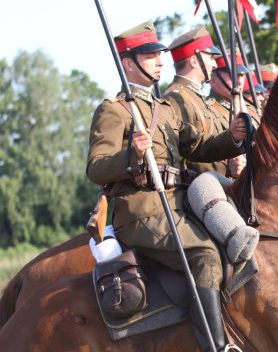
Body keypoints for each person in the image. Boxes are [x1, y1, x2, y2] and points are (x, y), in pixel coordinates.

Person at [86, 21, 244, 352]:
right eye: (150, 56)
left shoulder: (164, 109)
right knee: (204, 254)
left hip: (176, 203)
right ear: (128, 63)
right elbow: (96, 167)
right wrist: (132, 154)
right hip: (141, 212)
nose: (161, 61)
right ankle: (215, 346)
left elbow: (199, 148)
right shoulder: (114, 110)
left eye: (159, 54)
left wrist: (233, 139)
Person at [165, 26, 246, 179]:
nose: (214, 65)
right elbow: (189, 153)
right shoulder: (176, 98)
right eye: (210, 57)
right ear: (194, 61)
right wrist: (227, 167)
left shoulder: (193, 95)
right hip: (200, 187)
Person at [209, 52, 261, 129]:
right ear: (213, 80)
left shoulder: (249, 108)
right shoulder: (208, 110)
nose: (240, 82)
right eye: (233, 76)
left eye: (242, 75)